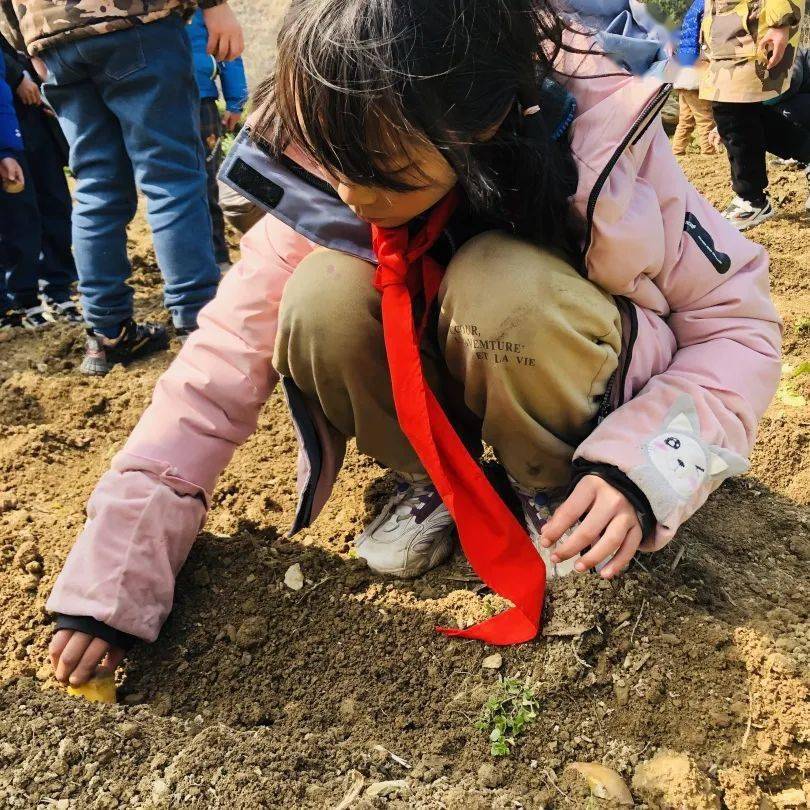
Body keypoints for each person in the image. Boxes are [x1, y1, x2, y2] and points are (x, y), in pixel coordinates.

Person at [44, 0, 780, 684]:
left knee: (502, 287)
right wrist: (112, 581)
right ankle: (430, 475)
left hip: (574, 378)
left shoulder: (604, 148)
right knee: (321, 297)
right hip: (437, 376)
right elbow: (211, 379)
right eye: (334, 161)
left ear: (482, 121)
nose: (348, 196)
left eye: (377, 172)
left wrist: (637, 472)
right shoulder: (333, 157)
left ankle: (554, 486)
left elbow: (737, 328)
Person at [0, 0, 245, 374]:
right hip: (134, 18)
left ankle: (107, 329)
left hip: (50, 36)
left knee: (96, 184)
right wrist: (214, 5)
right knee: (171, 176)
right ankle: (198, 319)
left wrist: (26, 43)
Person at [701, 0, 805, 229]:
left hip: (755, 28)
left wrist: (781, 21)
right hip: (728, 32)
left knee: (733, 111)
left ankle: (752, 199)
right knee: (744, 115)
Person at [0, 34, 79, 329]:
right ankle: (22, 297)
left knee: (55, 201)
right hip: (8, 117)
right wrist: (17, 74)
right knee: (18, 211)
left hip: (33, 113)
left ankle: (58, 289)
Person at [188, 8, 249, 271]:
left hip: (200, 99)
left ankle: (217, 256)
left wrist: (236, 101)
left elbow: (227, 47)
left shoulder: (207, 7)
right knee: (188, 183)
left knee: (205, 181)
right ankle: (198, 260)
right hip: (164, 99)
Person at [672, 0, 718, 155]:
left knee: (686, 118)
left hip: (682, 71)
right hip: (696, 70)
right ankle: (709, 150)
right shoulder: (708, 6)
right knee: (705, 116)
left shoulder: (694, 7)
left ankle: (677, 149)